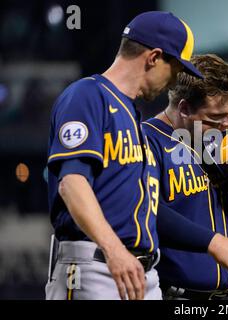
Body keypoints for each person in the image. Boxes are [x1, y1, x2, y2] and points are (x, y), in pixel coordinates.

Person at [45, 11, 204, 300]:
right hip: (96, 264)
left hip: (138, 271)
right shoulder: (87, 95)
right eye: (175, 69)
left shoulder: (132, 115)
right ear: (154, 57)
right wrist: (114, 249)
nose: (174, 82)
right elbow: (72, 183)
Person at [141, 54, 228, 300]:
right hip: (177, 296)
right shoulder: (147, 141)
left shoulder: (221, 146)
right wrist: (214, 242)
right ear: (184, 108)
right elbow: (145, 209)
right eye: (217, 117)